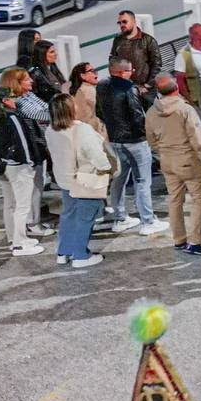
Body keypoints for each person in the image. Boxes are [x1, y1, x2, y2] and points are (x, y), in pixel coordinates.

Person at [97, 56, 167, 236]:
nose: (133, 72)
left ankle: (120, 217)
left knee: (119, 179)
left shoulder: (102, 86)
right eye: (130, 70)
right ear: (122, 72)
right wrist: (147, 135)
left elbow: (99, 111)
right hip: (135, 141)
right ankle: (148, 221)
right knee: (142, 180)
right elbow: (138, 117)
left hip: (114, 140)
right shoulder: (129, 89)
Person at [146, 74, 201, 256]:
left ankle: (179, 239)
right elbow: (198, 139)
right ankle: (195, 242)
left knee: (175, 199)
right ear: (176, 88)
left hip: (167, 161)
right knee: (200, 200)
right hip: (189, 160)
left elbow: (151, 139)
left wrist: (162, 154)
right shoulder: (186, 110)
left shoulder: (152, 111)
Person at [45, 93, 112, 269]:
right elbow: (95, 154)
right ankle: (81, 255)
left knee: (69, 216)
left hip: (65, 179)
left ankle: (63, 252)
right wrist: (107, 168)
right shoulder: (82, 130)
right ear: (69, 109)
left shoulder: (51, 130)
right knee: (86, 217)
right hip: (84, 179)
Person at [0, 86, 47, 257]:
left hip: (3, 166)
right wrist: (31, 161)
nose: (15, 100)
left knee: (10, 204)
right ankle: (20, 244)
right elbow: (23, 144)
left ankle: (13, 239)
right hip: (19, 166)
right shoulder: (11, 117)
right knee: (22, 205)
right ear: (5, 100)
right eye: (12, 97)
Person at [0, 67, 55, 237]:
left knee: (37, 184)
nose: (31, 81)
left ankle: (33, 221)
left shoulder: (28, 96)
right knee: (32, 188)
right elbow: (45, 115)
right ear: (16, 83)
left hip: (39, 145)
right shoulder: (18, 102)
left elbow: (45, 109)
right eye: (26, 79)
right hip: (30, 149)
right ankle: (32, 224)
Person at [110, 10, 162, 95]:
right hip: (125, 88)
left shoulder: (148, 40)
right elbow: (112, 60)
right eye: (119, 23)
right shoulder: (117, 40)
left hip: (145, 90)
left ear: (134, 21)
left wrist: (147, 85)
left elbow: (156, 64)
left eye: (124, 22)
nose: (122, 25)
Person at [68, 63, 108, 140]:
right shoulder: (88, 90)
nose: (96, 73)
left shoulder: (80, 89)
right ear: (83, 76)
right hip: (95, 133)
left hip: (86, 133)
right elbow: (104, 110)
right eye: (92, 71)